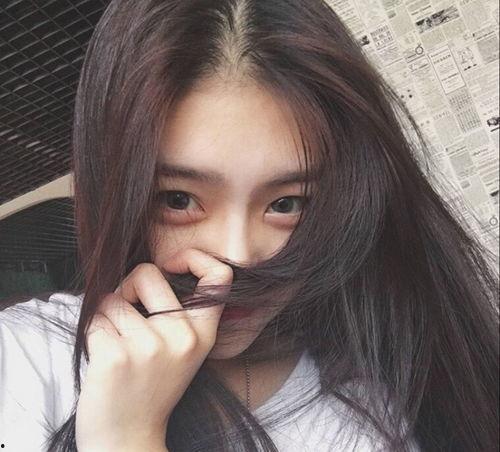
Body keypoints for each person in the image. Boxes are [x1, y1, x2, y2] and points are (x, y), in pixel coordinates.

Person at [0, 0, 498, 451]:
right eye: (178, 199)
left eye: (286, 204)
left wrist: (127, 440)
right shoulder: (24, 361)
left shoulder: (384, 399)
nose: (237, 255)